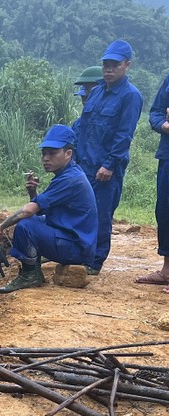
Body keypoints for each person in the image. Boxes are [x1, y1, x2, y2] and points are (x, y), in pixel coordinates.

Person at [0, 125, 98, 293]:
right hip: (75, 241)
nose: (46, 158)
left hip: (76, 249)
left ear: (68, 154)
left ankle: (30, 274)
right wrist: (33, 192)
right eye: (44, 153)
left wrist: (0, 227)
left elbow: (29, 211)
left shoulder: (70, 179)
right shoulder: (69, 175)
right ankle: (35, 263)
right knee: (32, 221)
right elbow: (41, 209)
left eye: (52, 153)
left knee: (26, 225)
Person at [73, 39, 143, 275]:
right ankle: (77, 254)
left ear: (127, 66)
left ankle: (94, 261)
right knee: (80, 210)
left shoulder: (130, 96)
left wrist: (109, 164)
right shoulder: (96, 92)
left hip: (106, 167)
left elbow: (124, 135)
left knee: (101, 214)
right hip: (84, 163)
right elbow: (84, 126)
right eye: (105, 65)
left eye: (114, 65)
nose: (108, 69)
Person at [134, 74, 169, 289]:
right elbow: (156, 113)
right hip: (168, 155)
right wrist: (165, 125)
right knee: (164, 211)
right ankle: (166, 270)